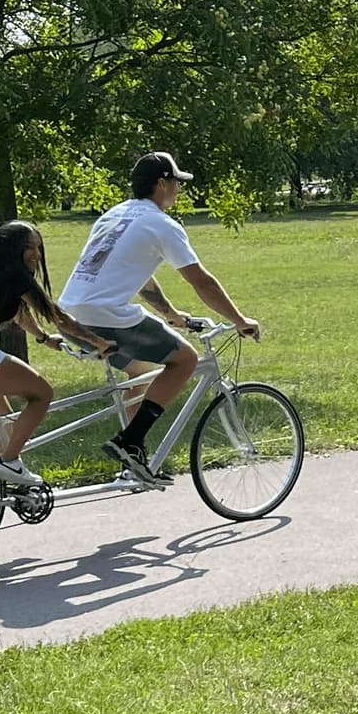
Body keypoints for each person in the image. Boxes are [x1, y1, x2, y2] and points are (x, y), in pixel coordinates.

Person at [59, 151, 260, 486]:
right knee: (185, 360)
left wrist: (171, 315)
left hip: (69, 315)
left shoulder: (115, 214)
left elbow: (138, 277)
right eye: (176, 182)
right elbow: (201, 281)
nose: (179, 189)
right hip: (105, 315)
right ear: (162, 183)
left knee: (139, 373)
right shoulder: (162, 225)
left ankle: (132, 462)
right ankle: (129, 441)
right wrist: (239, 320)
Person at [0, 221, 116, 487]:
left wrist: (43, 338)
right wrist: (99, 342)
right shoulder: (16, 276)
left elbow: (20, 315)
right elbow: (58, 317)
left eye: (38, 247)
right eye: (29, 247)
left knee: (2, 419)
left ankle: (9, 482)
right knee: (42, 394)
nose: (36, 254)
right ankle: (10, 462)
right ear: (12, 249)